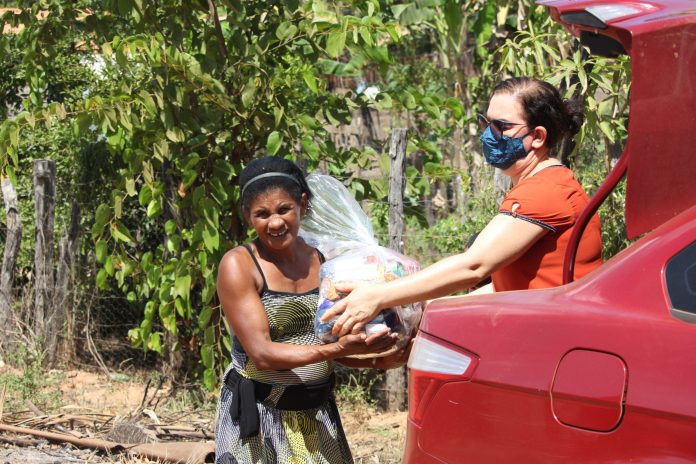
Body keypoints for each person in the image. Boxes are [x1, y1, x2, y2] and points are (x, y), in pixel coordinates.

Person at [322, 77, 603, 337]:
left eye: (501, 127)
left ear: (538, 137)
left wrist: (379, 296)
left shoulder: (545, 191)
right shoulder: (544, 184)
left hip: (553, 339)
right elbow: (508, 286)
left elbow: (474, 266)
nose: (487, 135)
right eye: (486, 122)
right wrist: (419, 310)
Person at [214, 156, 403, 464]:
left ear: (302, 204)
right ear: (248, 216)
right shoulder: (239, 265)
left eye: (283, 209)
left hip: (316, 412)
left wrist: (375, 358)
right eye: (262, 214)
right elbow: (262, 353)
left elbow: (329, 342)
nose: (274, 222)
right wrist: (337, 349)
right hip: (263, 417)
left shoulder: (322, 260)